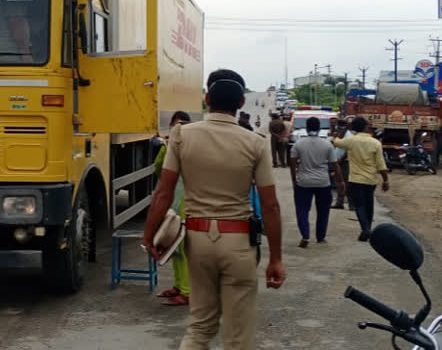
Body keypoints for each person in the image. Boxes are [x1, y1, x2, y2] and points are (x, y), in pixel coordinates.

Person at [142, 69, 285, 350]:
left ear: (207, 99)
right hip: (239, 242)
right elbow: (270, 204)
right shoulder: (255, 142)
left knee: (200, 327)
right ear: (241, 103)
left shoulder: (181, 134)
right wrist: (276, 258)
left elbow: (163, 192)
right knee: (237, 336)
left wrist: (149, 236)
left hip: (197, 240)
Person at [153, 111, 192, 306]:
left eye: (183, 126)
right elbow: (158, 168)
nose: (179, 129)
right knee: (174, 248)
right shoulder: (168, 146)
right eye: (176, 125)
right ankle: (178, 286)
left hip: (186, 203)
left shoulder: (191, 148)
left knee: (183, 248)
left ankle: (186, 292)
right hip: (173, 203)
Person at [289, 117, 344, 248]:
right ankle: (320, 237)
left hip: (303, 182)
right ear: (319, 128)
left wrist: (294, 180)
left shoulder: (299, 144)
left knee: (302, 210)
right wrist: (341, 181)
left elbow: (292, 164)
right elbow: (335, 165)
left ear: (307, 128)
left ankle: (305, 235)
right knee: (323, 211)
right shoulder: (327, 144)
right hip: (323, 183)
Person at [333, 116, 389, 241]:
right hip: (371, 179)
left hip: (356, 180)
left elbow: (336, 141)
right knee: (369, 204)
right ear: (366, 127)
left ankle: (365, 229)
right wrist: (385, 180)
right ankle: (368, 228)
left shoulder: (351, 141)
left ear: (353, 128)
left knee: (359, 206)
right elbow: (381, 164)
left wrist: (344, 129)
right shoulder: (376, 143)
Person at [331, 119, 354, 210]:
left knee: (346, 183)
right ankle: (339, 202)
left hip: (345, 162)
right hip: (339, 161)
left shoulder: (348, 135)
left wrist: (341, 160)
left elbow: (348, 150)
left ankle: (351, 204)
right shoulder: (342, 134)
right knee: (339, 182)